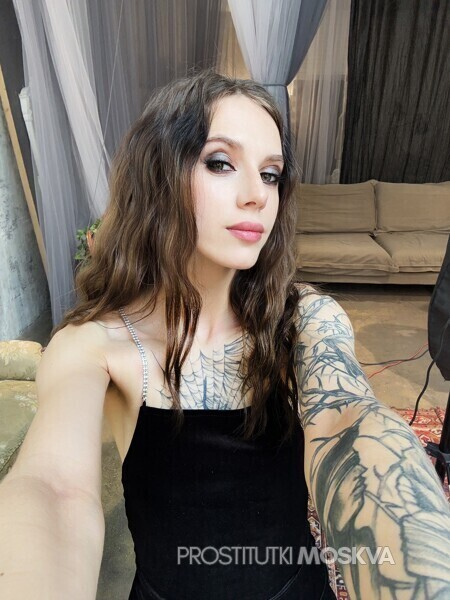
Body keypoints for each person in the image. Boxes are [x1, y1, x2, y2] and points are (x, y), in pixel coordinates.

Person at [1, 70, 449, 600]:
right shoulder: (93, 346)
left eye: (271, 174)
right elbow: (53, 488)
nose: (257, 195)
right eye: (220, 163)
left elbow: (347, 419)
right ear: (158, 175)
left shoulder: (304, 318)